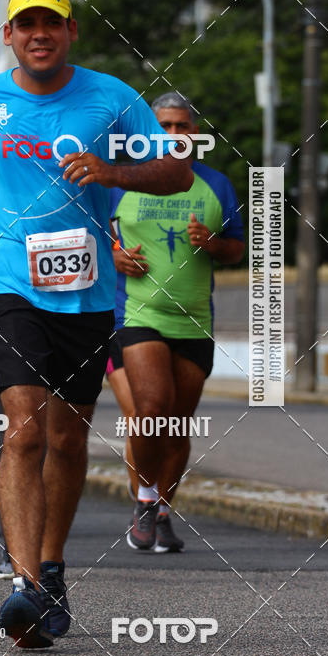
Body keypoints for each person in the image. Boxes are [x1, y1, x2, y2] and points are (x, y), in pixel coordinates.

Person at [0, 0, 193, 648]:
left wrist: (112, 171)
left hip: (89, 293)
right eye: (25, 23)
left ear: (71, 33)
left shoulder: (113, 98)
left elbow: (177, 174)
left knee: (68, 441)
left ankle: (52, 565)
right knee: (24, 431)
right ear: (8, 35)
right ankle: (23, 585)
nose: (38, 33)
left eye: (52, 22)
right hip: (9, 284)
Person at [111, 92, 244, 552]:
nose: (172, 135)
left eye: (180, 126)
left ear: (194, 134)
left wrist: (212, 243)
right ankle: (145, 500)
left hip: (194, 320)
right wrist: (115, 257)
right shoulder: (121, 182)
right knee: (150, 412)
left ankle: (163, 509)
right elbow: (91, 241)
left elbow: (237, 249)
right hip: (136, 314)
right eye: (162, 126)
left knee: (176, 427)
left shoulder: (217, 185)